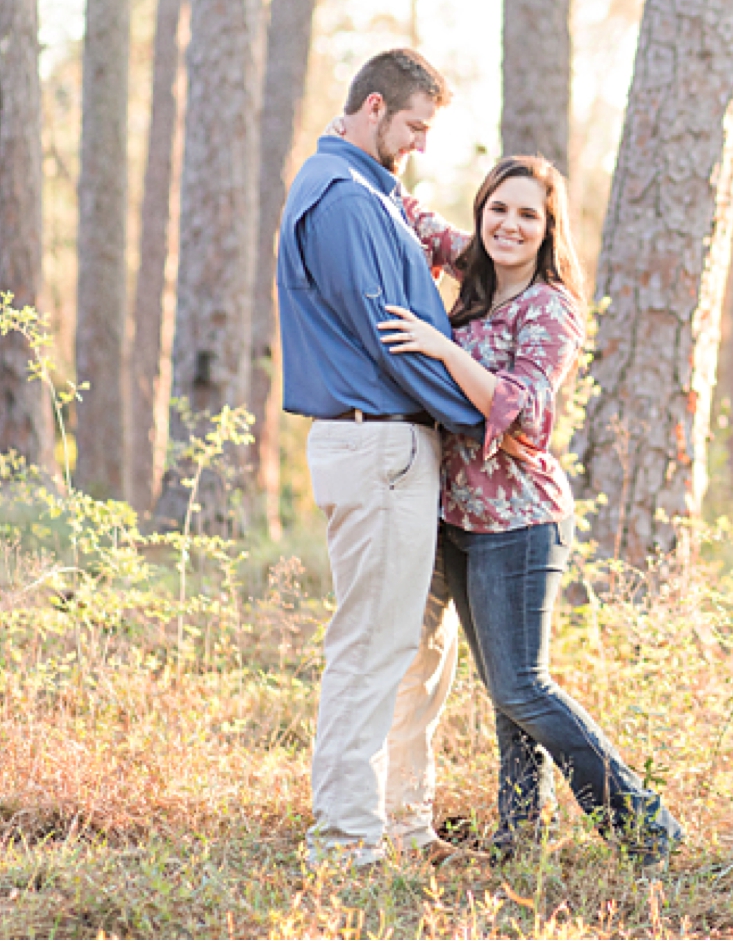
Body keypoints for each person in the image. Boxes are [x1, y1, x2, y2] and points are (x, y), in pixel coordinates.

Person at [378, 155, 685, 867]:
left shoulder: (550, 307)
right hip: (460, 519)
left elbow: (527, 412)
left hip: (520, 524)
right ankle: (520, 842)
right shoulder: (477, 280)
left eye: (528, 215)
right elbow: (421, 222)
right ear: (483, 214)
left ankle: (646, 827)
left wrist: (440, 349)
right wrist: (364, 154)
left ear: (549, 230)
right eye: (498, 209)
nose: (509, 224)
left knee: (523, 685)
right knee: (504, 695)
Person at [276, 48, 486, 869]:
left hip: (398, 444)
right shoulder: (341, 201)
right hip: (378, 439)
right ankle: (345, 841)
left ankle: (404, 825)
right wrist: (480, 413)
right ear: (372, 108)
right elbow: (391, 337)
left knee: (420, 650)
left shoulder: (372, 193)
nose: (421, 145)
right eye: (414, 127)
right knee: (371, 645)